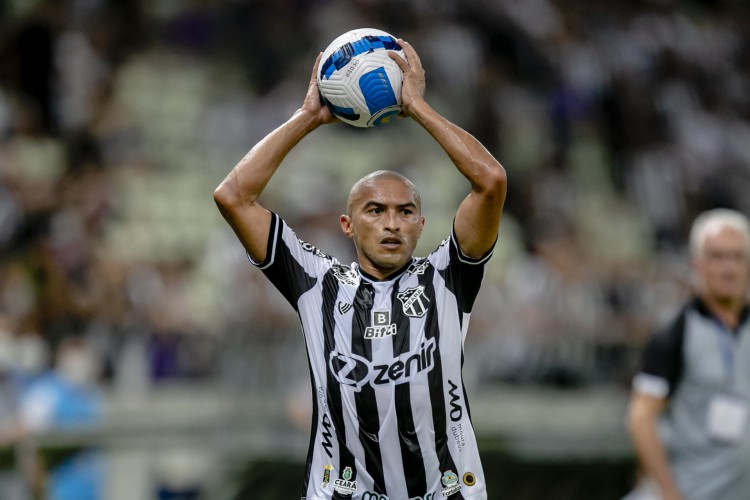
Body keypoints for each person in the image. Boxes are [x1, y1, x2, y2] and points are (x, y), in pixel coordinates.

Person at [214, 38, 506, 500]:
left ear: (421, 224)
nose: (392, 223)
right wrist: (308, 118)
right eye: (375, 210)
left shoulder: (447, 276)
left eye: (405, 212)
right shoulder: (316, 281)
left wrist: (417, 108)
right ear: (347, 225)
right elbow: (232, 196)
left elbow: (490, 181)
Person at [626, 208, 750, 500]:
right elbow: (641, 419)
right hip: (689, 489)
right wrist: (670, 493)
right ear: (697, 264)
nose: (728, 268)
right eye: (717, 257)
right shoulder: (676, 333)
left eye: (736, 256)